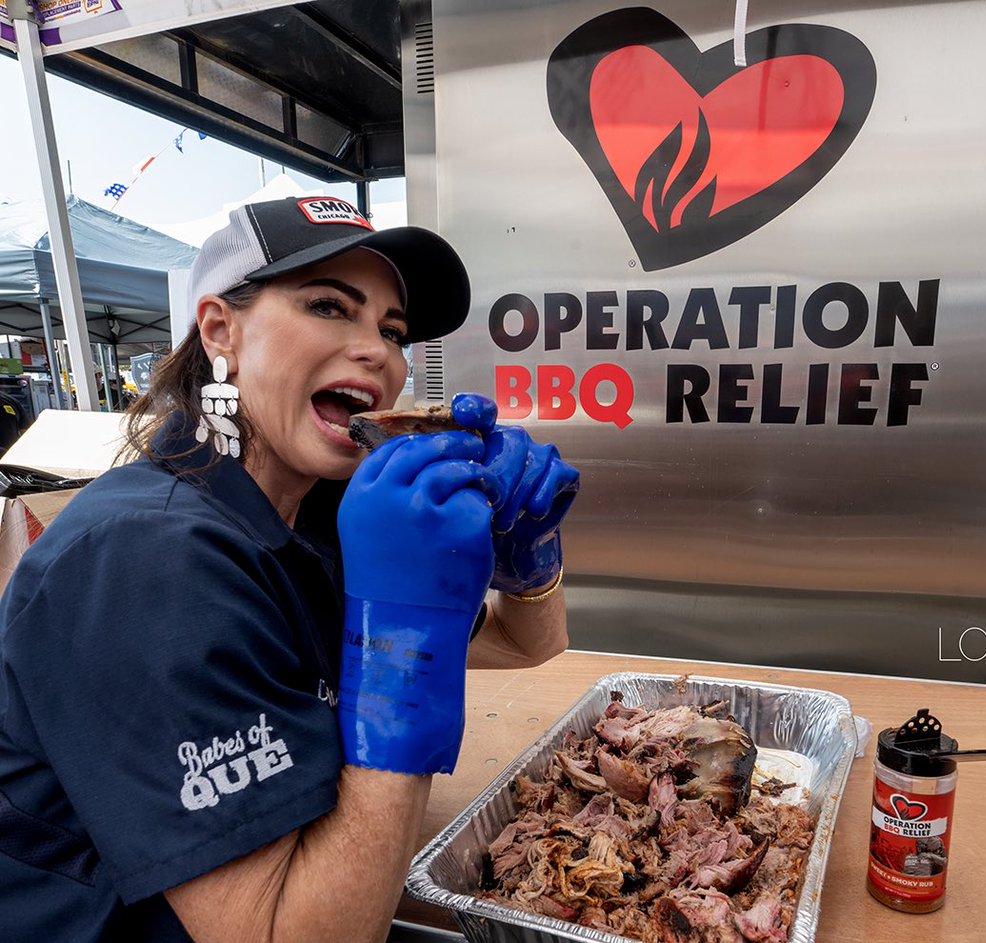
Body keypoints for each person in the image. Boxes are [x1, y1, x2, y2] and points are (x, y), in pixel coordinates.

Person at [0, 196, 580, 942]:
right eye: (329, 306)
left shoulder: (322, 513)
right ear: (220, 331)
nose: (377, 350)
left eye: (392, 329)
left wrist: (526, 557)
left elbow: (525, 644)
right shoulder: (147, 559)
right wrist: (400, 648)